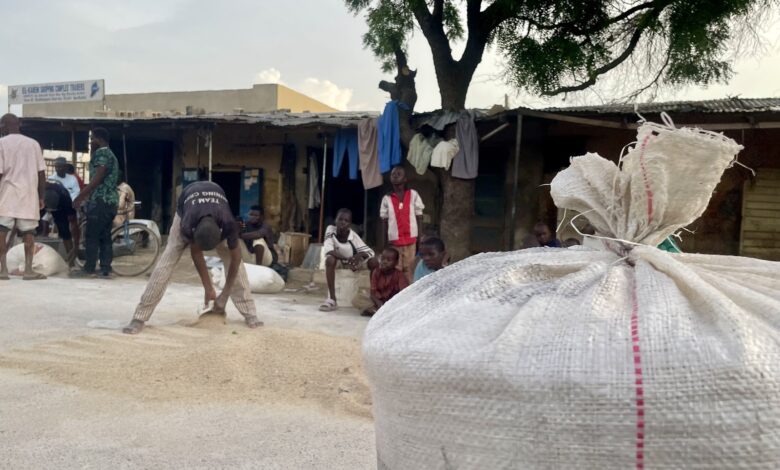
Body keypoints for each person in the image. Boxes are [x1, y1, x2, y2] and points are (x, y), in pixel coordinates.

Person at [123, 181, 262, 335]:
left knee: (237, 266)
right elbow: (196, 254)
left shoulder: (229, 223)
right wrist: (208, 288)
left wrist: (225, 295)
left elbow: (235, 260)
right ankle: (139, 317)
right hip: (188, 207)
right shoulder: (187, 224)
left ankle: (250, 312)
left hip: (214, 204)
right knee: (166, 263)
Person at [0, 113, 47, 281]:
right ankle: (28, 270)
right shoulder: (33, 144)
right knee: (29, 233)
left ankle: (3, 270)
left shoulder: (2, 144)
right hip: (28, 195)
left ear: (4, 126)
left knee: (2, 231)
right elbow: (42, 173)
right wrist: (41, 196)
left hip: (7, 194)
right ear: (18, 125)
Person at [70, 128, 119, 278]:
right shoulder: (112, 154)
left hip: (100, 201)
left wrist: (80, 196)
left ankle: (89, 268)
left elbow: (97, 178)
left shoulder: (102, 154)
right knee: (105, 236)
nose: (91, 142)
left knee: (92, 235)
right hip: (110, 202)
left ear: (99, 139)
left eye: (92, 139)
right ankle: (105, 268)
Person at [319, 208, 377, 312]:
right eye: (340, 219)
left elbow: (371, 253)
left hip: (354, 262)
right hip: (341, 261)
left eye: (346, 221)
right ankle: (332, 299)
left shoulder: (353, 237)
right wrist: (347, 259)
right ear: (335, 220)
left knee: (374, 262)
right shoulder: (330, 230)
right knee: (329, 260)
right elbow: (329, 250)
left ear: (350, 224)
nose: (342, 223)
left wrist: (359, 256)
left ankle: (374, 296)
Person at [380, 165, 424, 283]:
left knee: (409, 270)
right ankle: (396, 296)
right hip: (394, 242)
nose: (395, 175)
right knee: (395, 270)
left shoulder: (413, 195)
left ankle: (408, 295)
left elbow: (419, 217)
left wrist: (420, 239)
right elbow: (384, 222)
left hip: (411, 241)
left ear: (405, 179)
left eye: (399, 174)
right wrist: (385, 244)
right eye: (393, 174)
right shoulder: (386, 199)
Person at [363, 247, 408, 317]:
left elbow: (403, 294)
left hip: (393, 302)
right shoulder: (376, 272)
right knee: (359, 299)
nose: (384, 262)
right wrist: (379, 304)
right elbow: (373, 293)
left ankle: (381, 311)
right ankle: (381, 311)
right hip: (379, 301)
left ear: (396, 263)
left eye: (389, 260)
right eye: (383, 259)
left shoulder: (400, 275)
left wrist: (389, 304)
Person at [43, 181, 80, 265]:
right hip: (47, 200)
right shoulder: (39, 190)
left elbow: (74, 223)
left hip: (61, 206)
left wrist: (76, 247)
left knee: (65, 232)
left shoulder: (65, 199)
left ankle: (71, 260)